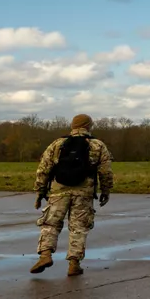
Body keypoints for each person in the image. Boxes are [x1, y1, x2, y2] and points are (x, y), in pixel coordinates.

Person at [31, 114, 114, 277]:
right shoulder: (97, 146)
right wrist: (105, 191)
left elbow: (43, 169)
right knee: (78, 227)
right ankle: (74, 264)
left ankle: (45, 255)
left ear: (72, 126)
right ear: (89, 126)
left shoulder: (58, 144)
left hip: (59, 190)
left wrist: (40, 192)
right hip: (84, 192)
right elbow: (105, 172)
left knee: (51, 224)